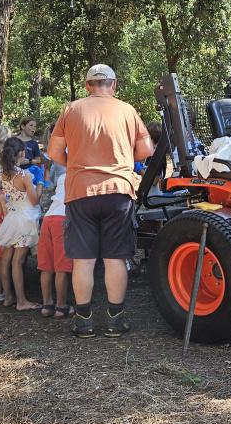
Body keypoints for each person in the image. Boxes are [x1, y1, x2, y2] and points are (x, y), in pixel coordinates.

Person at [49, 64, 154, 338]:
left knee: (83, 260)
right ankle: (114, 321)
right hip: (118, 191)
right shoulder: (127, 110)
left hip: (80, 192)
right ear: (113, 84)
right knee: (115, 258)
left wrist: (76, 165)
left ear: (87, 86)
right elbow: (146, 149)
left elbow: (53, 151)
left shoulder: (71, 110)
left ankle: (84, 321)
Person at [0, 137, 42, 311]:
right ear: (21, 153)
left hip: (12, 218)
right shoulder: (25, 176)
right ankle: (21, 301)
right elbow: (34, 201)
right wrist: (40, 185)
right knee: (17, 261)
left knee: (6, 259)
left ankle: (8, 297)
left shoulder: (3, 174)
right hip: (25, 219)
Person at [37, 169, 72, 319]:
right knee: (61, 267)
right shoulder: (80, 175)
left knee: (46, 266)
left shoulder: (63, 175)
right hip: (63, 218)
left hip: (49, 217)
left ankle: (47, 305)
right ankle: (61, 306)